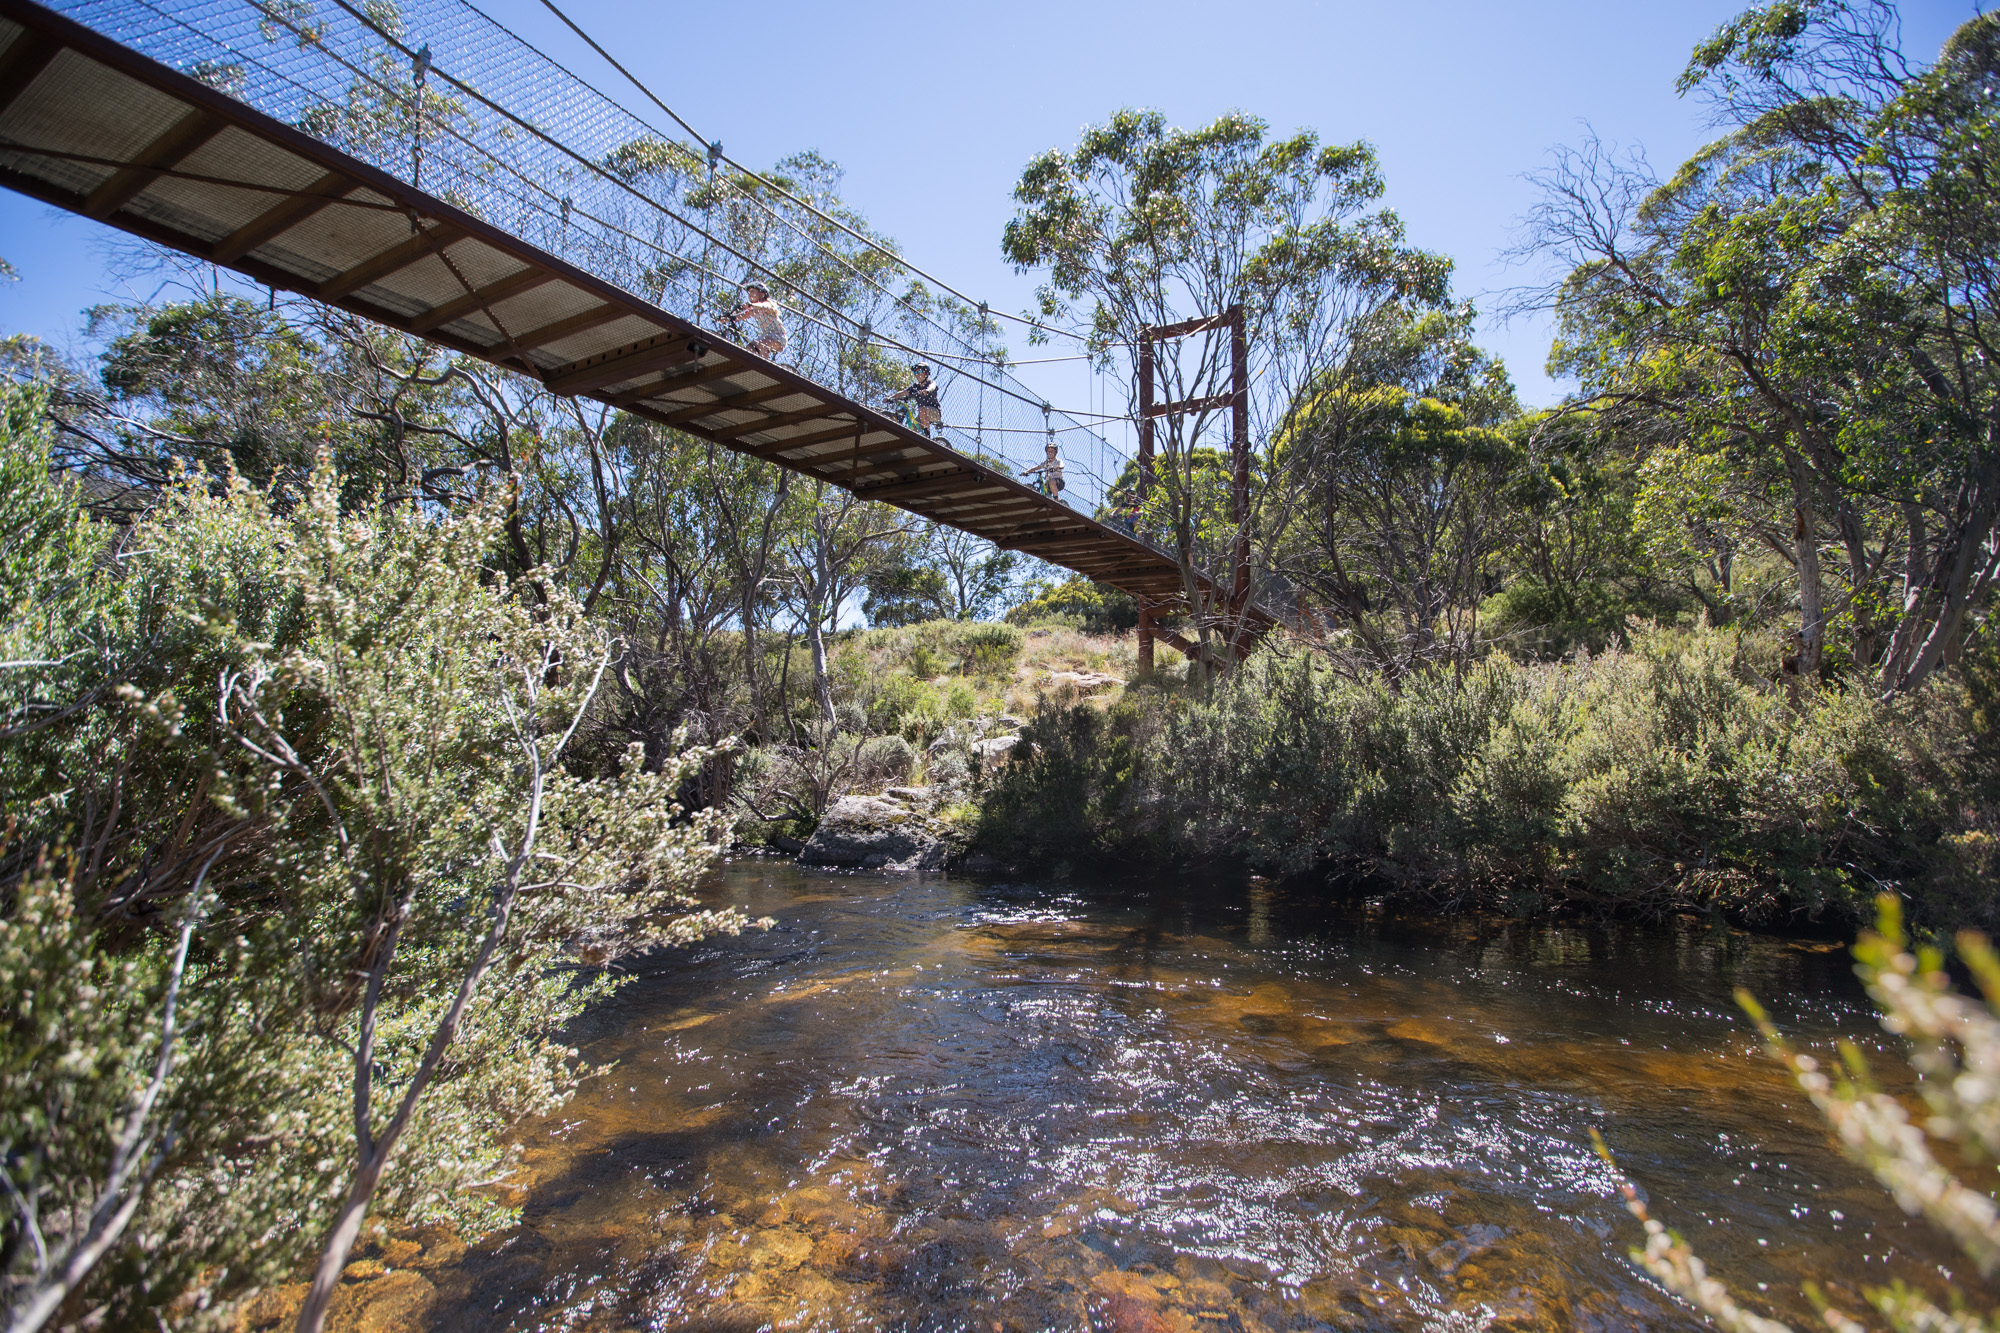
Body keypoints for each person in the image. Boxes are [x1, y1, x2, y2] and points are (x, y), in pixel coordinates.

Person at [727, 282, 786, 358]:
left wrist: (749, 305)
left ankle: (764, 363)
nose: (750, 294)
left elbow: (764, 306)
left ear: (762, 294)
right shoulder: (754, 310)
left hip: (778, 337)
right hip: (766, 336)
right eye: (749, 292)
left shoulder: (769, 304)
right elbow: (743, 315)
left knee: (762, 343)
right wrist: (729, 318)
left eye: (752, 291)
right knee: (749, 348)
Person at [885, 363, 944, 436]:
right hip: (922, 416)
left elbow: (932, 387)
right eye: (915, 373)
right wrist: (890, 397)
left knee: (922, 409)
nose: (917, 374)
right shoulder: (916, 387)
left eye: (919, 372)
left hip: (935, 413)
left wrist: (927, 391)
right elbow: (903, 393)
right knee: (913, 428)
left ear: (926, 373)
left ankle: (927, 435)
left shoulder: (930, 383)